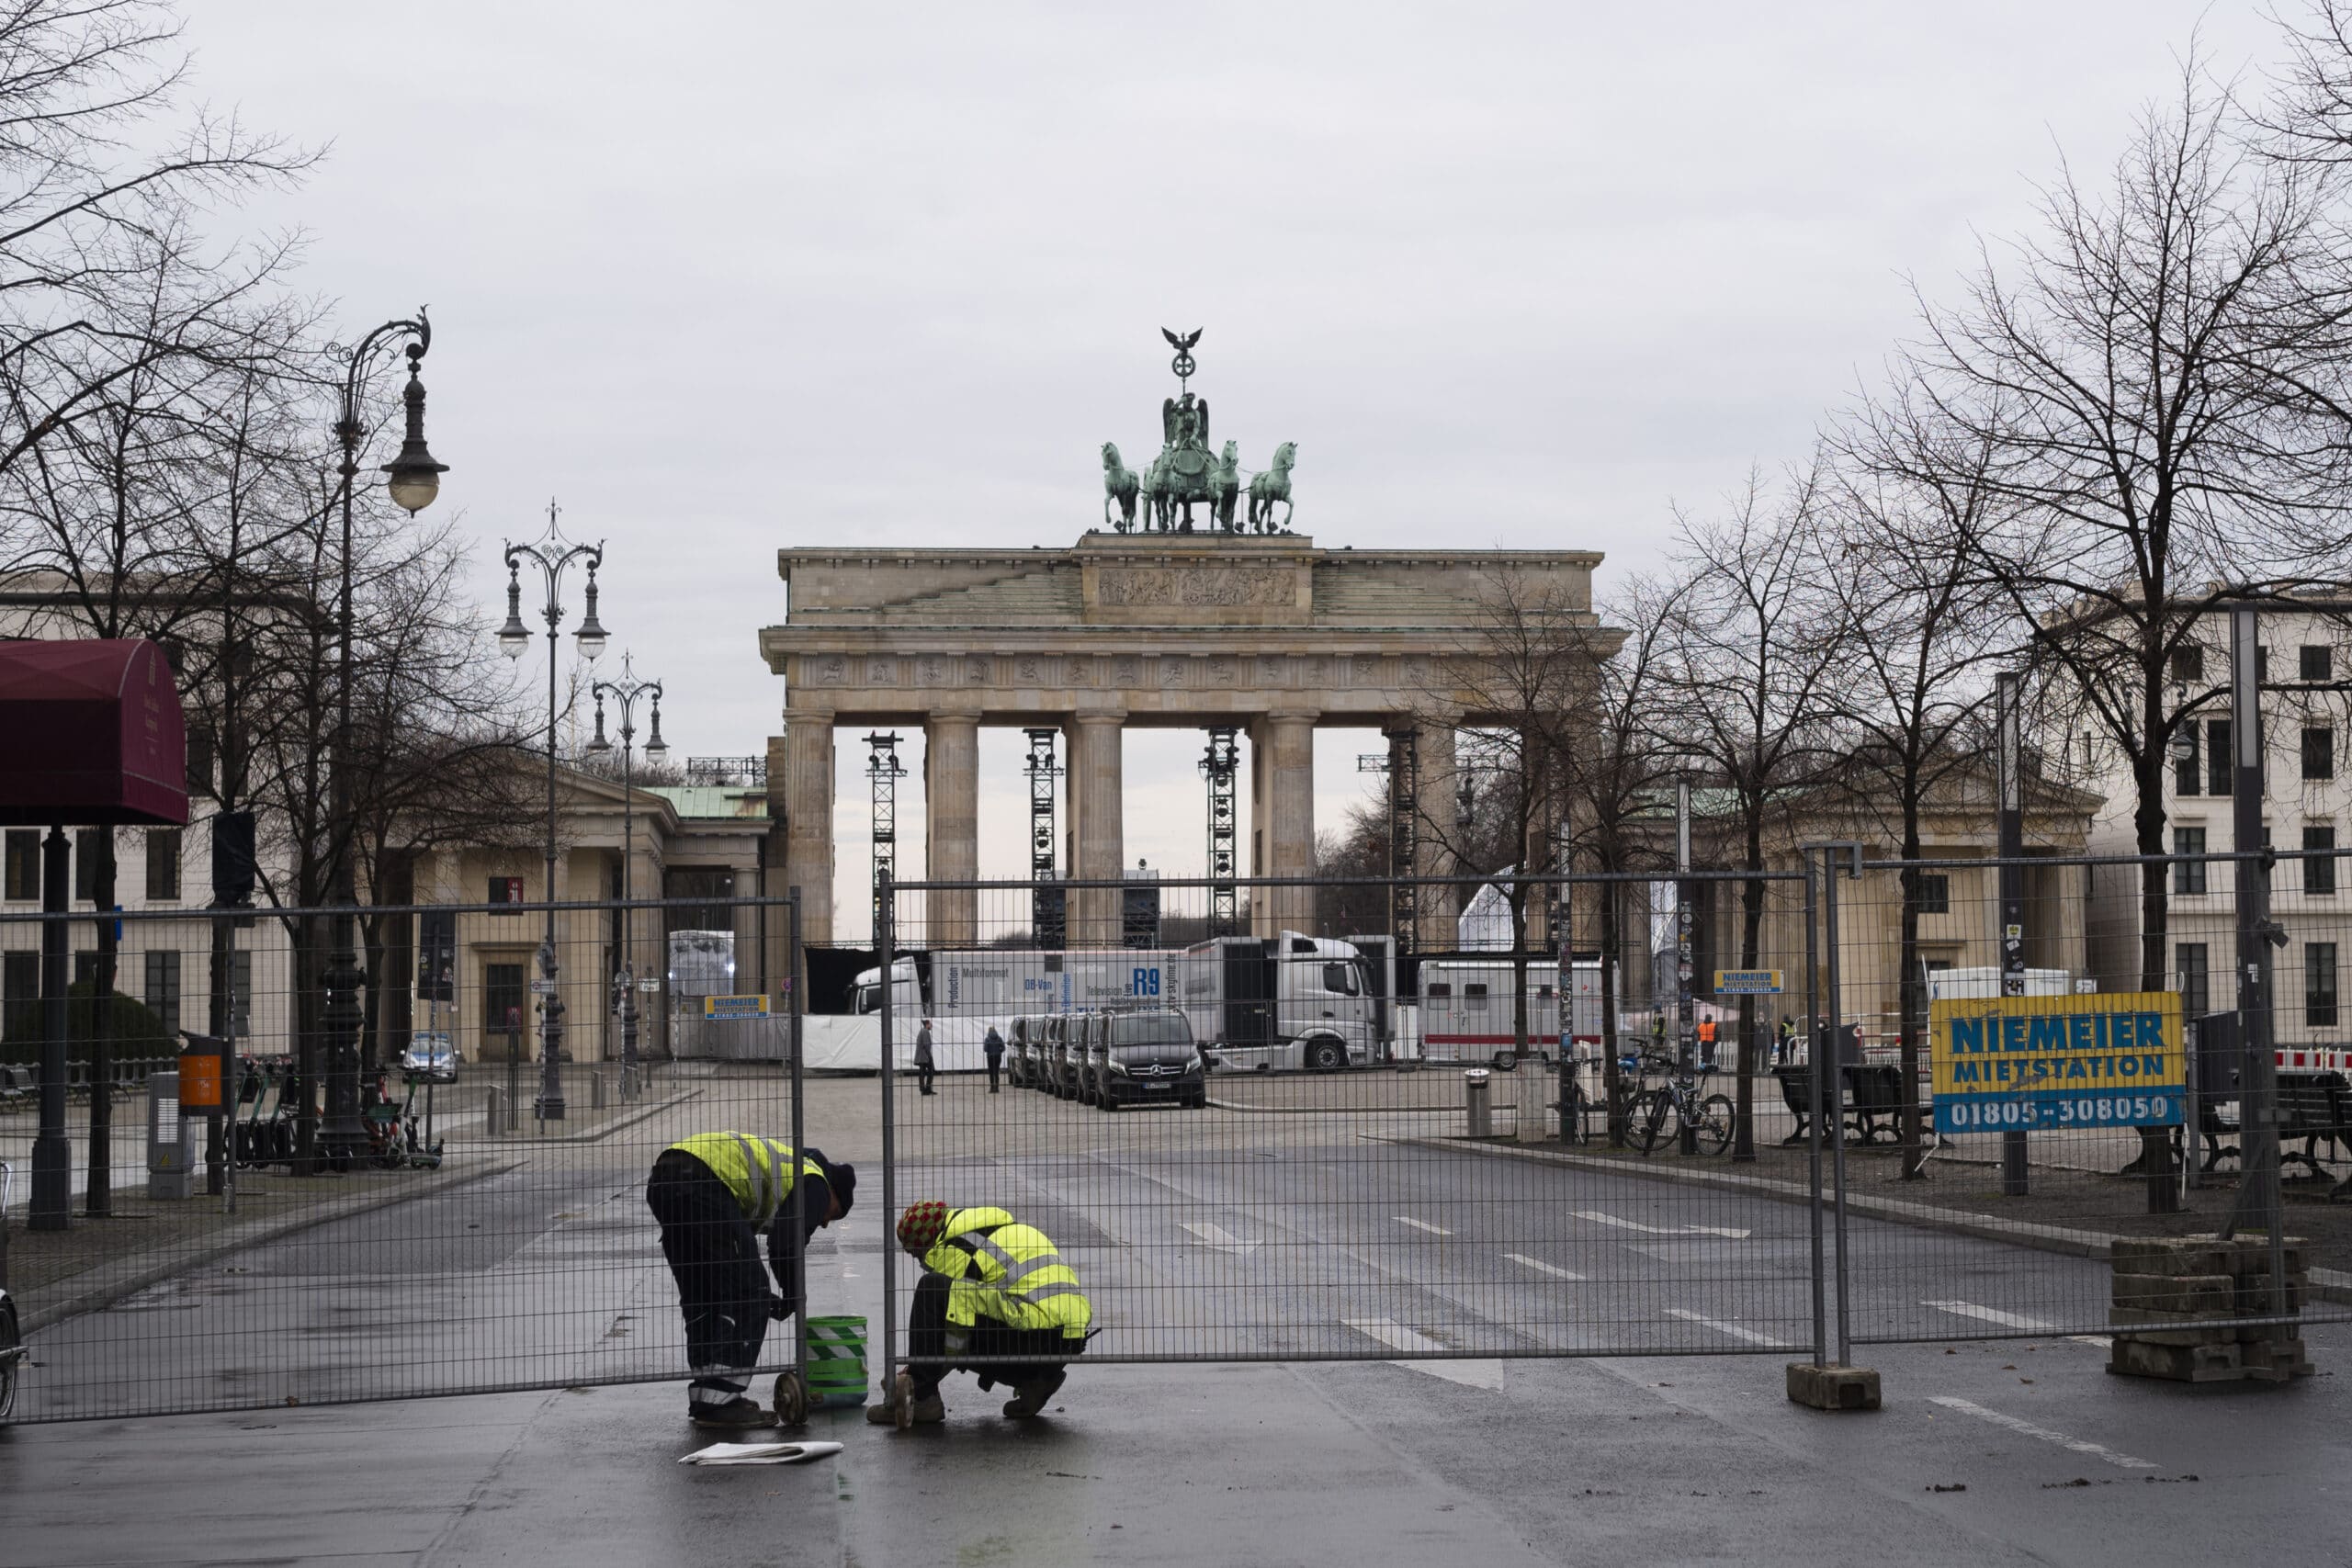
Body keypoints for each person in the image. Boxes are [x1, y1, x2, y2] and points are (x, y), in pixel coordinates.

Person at [645, 1131, 856, 1429]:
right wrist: (794, 1294)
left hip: (665, 1179)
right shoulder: (816, 1182)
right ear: (834, 1194)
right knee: (752, 1293)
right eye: (833, 1215)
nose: (823, 1223)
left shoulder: (794, 1167)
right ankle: (723, 1400)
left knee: (704, 1296)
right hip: (706, 1181)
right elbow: (785, 1244)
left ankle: (709, 1398)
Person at [867, 1200, 1091, 1427]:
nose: (920, 1261)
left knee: (931, 1289)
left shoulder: (957, 1248)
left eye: (917, 1254)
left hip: (1033, 1334)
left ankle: (924, 1401)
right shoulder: (996, 1230)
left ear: (927, 1241)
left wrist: (913, 1379)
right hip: (1068, 1340)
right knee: (974, 1316)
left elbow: (951, 1330)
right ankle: (1037, 1381)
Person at [914, 1019, 936, 1096]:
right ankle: (926, 1089)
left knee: (922, 1072)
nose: (931, 1025)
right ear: (927, 1024)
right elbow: (927, 1045)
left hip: (921, 1056)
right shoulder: (925, 1032)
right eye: (930, 1024)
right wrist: (929, 1055)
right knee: (931, 1071)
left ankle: (924, 1089)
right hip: (924, 1056)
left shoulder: (922, 1031)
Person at [982, 1024, 1005, 1093]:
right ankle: (997, 1088)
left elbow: (985, 1049)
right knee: (996, 1072)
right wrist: (999, 1051)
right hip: (998, 1057)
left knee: (991, 1073)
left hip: (990, 1057)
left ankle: (992, 1088)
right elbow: (1003, 1048)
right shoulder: (999, 1038)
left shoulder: (987, 1039)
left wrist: (990, 1050)